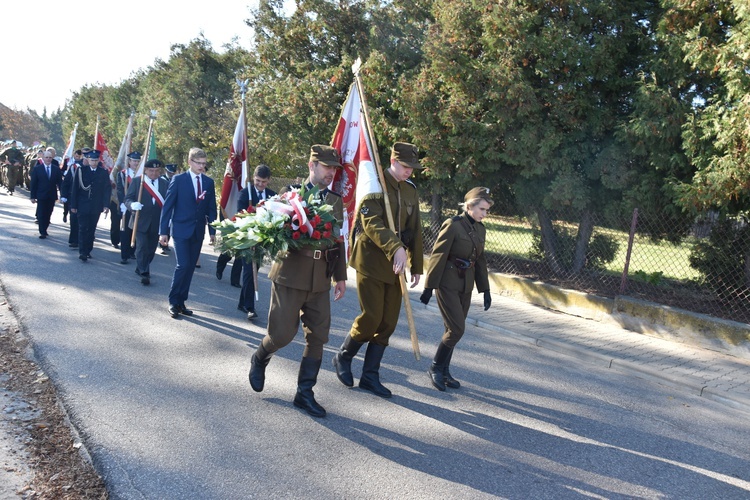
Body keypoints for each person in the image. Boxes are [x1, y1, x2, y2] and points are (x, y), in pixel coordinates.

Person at [248, 145, 347, 418]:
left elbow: (338, 241)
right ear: (311, 165)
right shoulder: (289, 195)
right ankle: (260, 357)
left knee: (319, 337)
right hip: (291, 274)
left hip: (320, 279)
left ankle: (304, 394)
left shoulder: (336, 201)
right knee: (281, 335)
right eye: (326, 167)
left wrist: (340, 276)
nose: (330, 173)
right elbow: (271, 233)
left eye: (334, 169)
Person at [332, 142, 425, 398]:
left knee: (388, 322)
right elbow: (370, 223)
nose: (410, 172)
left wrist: (417, 264)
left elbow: (415, 227)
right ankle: (343, 355)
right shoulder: (374, 184)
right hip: (371, 261)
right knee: (371, 316)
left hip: (396, 265)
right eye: (406, 166)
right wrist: (396, 247)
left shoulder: (410, 190)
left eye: (412, 168)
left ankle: (370, 376)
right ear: (393, 160)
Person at [420, 187, 493, 391]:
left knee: (451, 330)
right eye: (481, 209)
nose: (484, 214)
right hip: (447, 283)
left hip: (466, 285)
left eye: (487, 210)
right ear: (469, 206)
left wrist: (485, 290)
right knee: (457, 329)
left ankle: (445, 371)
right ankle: (435, 367)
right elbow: (438, 256)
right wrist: (429, 287)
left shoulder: (480, 229)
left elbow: (480, 261)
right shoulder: (452, 225)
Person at [159, 148, 217, 318]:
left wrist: (212, 231)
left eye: (204, 163)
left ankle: (181, 302)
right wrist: (163, 232)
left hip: (198, 231)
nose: (202, 166)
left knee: (190, 267)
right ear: (190, 162)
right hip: (181, 230)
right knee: (182, 265)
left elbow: (211, 209)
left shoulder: (208, 182)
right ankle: (173, 301)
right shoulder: (178, 180)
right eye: (199, 163)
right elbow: (168, 207)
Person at [235, 164, 276, 320]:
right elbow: (240, 215)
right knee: (249, 271)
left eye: (264, 182)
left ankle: (241, 302)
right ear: (253, 178)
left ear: (269, 180)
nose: (260, 184)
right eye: (258, 181)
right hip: (248, 238)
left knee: (254, 270)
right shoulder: (245, 193)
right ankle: (249, 306)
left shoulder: (272, 195)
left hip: (262, 241)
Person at [126, 159, 169, 285]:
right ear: (145, 170)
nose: (154, 173)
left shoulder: (164, 183)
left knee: (151, 250)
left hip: (156, 222)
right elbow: (127, 199)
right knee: (142, 247)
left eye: (157, 171)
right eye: (151, 170)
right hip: (140, 221)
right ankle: (145, 272)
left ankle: (141, 266)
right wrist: (132, 205)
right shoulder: (138, 181)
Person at [69, 150, 112, 262]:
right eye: (92, 160)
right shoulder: (81, 171)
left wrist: (106, 205)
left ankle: (88, 250)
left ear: (98, 160)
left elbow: (106, 190)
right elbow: (75, 189)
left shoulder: (103, 172)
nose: (94, 162)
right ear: (87, 160)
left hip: (95, 205)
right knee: (83, 228)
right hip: (82, 204)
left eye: (96, 160)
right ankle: (83, 251)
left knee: (91, 229)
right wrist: (73, 205)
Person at [29, 149, 63, 239]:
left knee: (49, 213)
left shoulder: (56, 169)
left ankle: (45, 228)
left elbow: (60, 183)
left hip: (51, 195)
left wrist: (62, 195)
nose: (48, 159)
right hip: (41, 195)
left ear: (52, 158)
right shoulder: (37, 169)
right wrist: (32, 196)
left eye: (50, 157)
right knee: (41, 213)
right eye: (46, 157)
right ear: (43, 158)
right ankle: (42, 231)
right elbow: (33, 183)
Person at [116, 151, 141, 263]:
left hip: (138, 206)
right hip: (126, 206)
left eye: (137, 161)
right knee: (125, 230)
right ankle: (124, 255)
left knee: (135, 230)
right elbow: (120, 189)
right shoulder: (123, 174)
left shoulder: (142, 175)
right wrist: (123, 203)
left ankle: (132, 251)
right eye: (134, 161)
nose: (136, 163)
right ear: (129, 162)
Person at [158, 164, 178, 254]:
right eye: (170, 173)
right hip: (161, 204)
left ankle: (165, 244)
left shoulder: (175, 180)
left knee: (169, 225)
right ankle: (161, 243)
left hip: (171, 206)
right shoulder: (161, 179)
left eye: (173, 173)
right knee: (163, 223)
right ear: (166, 171)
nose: (171, 174)